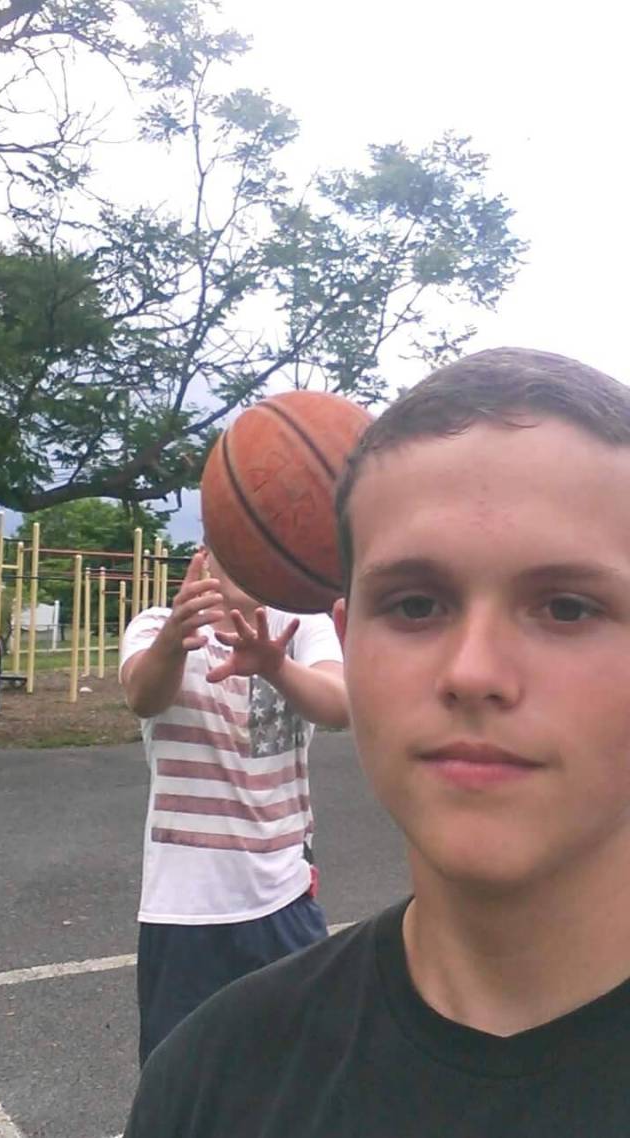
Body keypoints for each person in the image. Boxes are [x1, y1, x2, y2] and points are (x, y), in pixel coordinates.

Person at [124, 346, 630, 1136]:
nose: (473, 672)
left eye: (567, 607)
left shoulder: (286, 639)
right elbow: (141, 693)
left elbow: (325, 704)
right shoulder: (208, 1079)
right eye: (415, 605)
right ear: (352, 637)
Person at [119, 545, 348, 1065]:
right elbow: (143, 695)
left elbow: (339, 705)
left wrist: (275, 666)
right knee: (182, 1079)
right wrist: (173, 642)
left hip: (284, 898)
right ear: (206, 554)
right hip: (184, 911)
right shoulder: (156, 626)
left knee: (301, 1075)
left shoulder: (300, 626)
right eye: (233, 543)